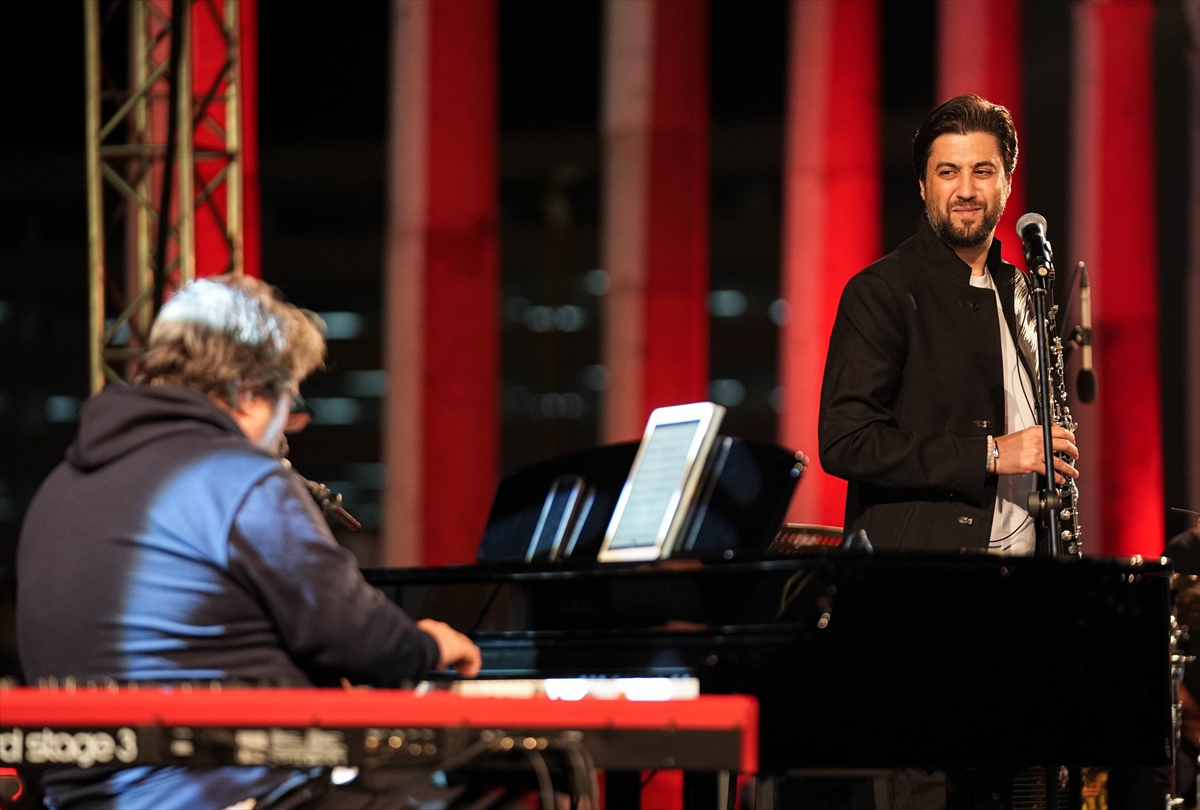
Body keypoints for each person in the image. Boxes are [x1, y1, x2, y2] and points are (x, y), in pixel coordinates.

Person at [17, 275, 481, 810]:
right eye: (287, 398)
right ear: (247, 393)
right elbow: (359, 639)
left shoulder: (59, 486)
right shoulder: (238, 477)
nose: (286, 428)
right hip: (232, 791)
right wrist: (427, 646)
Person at [819, 94, 1080, 556]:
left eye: (983, 171)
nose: (966, 190)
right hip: (922, 575)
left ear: (1006, 183)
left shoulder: (1023, 289)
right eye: (947, 172)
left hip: (1029, 570)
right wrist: (991, 454)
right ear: (923, 186)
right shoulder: (881, 290)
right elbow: (847, 441)